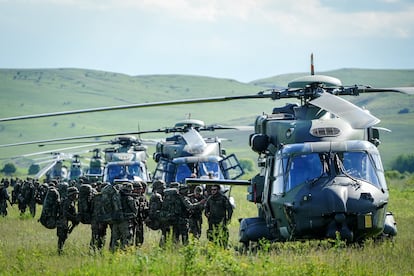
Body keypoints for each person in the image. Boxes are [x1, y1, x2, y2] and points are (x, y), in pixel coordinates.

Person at [110, 183, 138, 252]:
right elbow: (135, 211)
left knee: (115, 239)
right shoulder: (129, 198)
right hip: (125, 222)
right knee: (127, 239)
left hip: (115, 221)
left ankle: (113, 253)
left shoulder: (115, 197)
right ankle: (125, 253)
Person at [57, 186, 80, 254]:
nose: (76, 195)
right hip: (62, 221)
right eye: (75, 194)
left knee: (64, 236)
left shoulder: (70, 201)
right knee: (62, 237)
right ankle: (60, 251)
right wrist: (73, 218)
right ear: (72, 194)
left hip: (64, 221)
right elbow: (65, 213)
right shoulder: (67, 202)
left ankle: (60, 250)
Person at [132, 181, 148, 246]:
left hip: (140, 219)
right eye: (138, 189)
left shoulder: (143, 197)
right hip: (132, 220)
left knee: (140, 237)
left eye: (140, 189)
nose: (140, 191)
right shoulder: (130, 197)